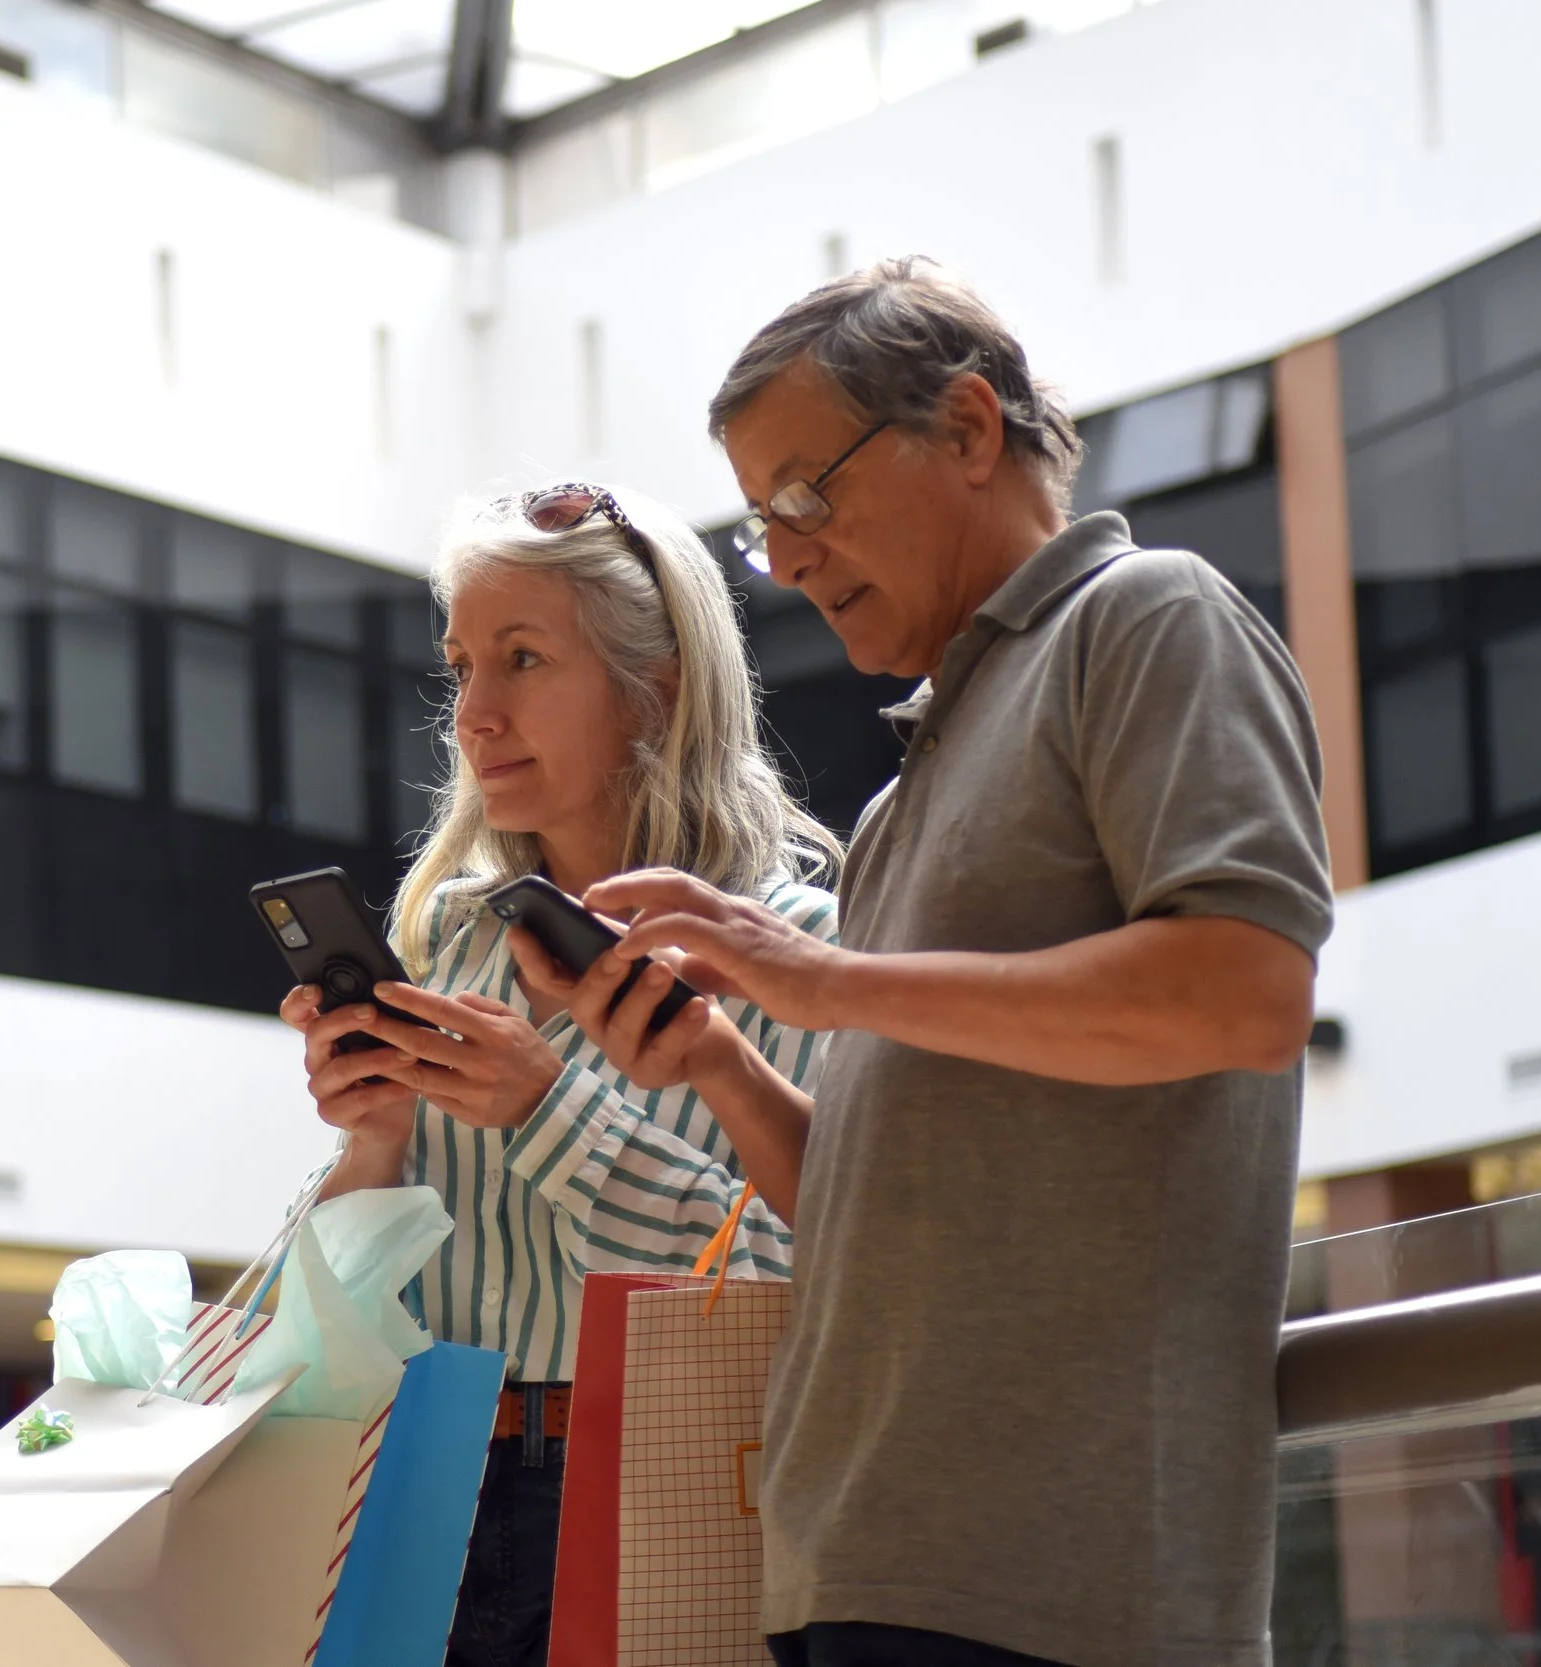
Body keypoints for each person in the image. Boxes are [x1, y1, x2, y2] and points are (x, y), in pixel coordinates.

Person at [555, 258, 1336, 1667]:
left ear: (970, 429)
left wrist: (819, 978)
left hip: (1054, 1581)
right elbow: (883, 1201)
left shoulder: (1148, 615)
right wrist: (725, 1065)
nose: (784, 558)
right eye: (760, 523)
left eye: (806, 495)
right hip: (861, 1565)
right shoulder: (899, 796)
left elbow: (1249, 991)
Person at [279, 481, 841, 1667]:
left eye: (523, 658)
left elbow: (811, 1285)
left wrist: (551, 1111)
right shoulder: (447, 947)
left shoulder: (801, 953)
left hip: (671, 1480)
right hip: (419, 1481)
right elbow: (325, 1329)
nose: (473, 713)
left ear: (662, 682)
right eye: (461, 666)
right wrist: (368, 1148)